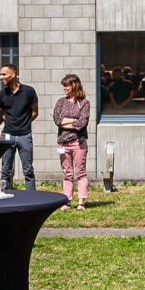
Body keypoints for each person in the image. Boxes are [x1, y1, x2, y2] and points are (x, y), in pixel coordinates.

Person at [0, 64, 39, 194]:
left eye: (3, 74)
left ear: (13, 75)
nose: (0, 77)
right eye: (0, 74)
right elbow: (1, 113)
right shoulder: (2, 94)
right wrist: (9, 123)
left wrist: (23, 123)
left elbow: (35, 112)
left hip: (25, 135)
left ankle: (32, 196)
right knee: (6, 169)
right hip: (8, 134)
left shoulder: (29, 91)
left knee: (28, 169)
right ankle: (4, 194)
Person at [53, 74, 90, 209]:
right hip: (63, 142)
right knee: (67, 172)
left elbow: (82, 123)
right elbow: (57, 121)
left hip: (78, 142)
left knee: (80, 171)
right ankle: (66, 200)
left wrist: (66, 121)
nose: (64, 88)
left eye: (67, 85)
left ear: (74, 85)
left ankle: (81, 202)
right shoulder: (61, 102)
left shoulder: (85, 103)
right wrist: (73, 121)